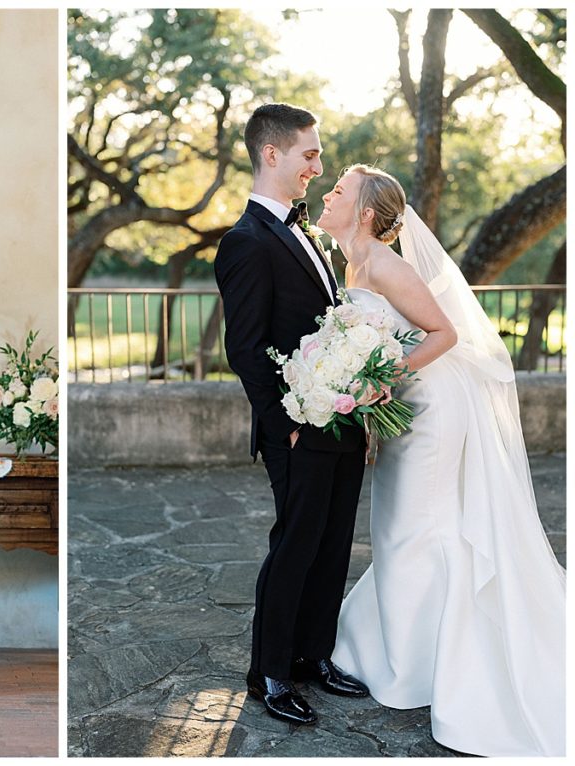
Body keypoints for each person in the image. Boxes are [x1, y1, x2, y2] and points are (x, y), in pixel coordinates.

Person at [319, 164, 565, 757]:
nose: (326, 196)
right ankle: (403, 646)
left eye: (338, 192)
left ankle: (424, 663)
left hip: (432, 407)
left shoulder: (385, 264)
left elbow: (443, 334)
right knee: (398, 528)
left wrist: (379, 383)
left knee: (417, 527)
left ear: (367, 213)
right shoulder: (351, 264)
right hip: (403, 405)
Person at [213, 103, 370, 727]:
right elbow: (246, 350)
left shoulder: (304, 231)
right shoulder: (245, 242)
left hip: (341, 419)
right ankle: (270, 672)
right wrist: (291, 424)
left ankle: (313, 655)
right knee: (295, 544)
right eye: (309, 154)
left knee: (333, 544)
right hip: (297, 428)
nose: (318, 166)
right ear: (271, 154)